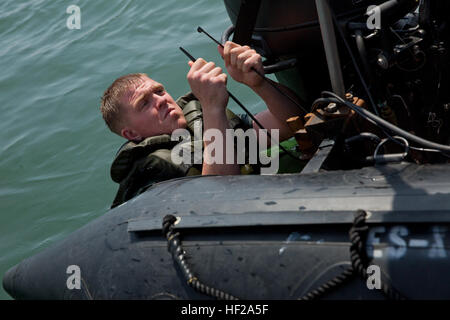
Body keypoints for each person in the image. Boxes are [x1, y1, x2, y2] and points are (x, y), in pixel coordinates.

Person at [100, 41, 303, 208]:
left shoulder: (202, 122)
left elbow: (288, 122)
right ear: (131, 134)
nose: (161, 100)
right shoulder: (150, 174)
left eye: (159, 91)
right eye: (144, 103)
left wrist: (258, 83)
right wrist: (212, 107)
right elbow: (217, 200)